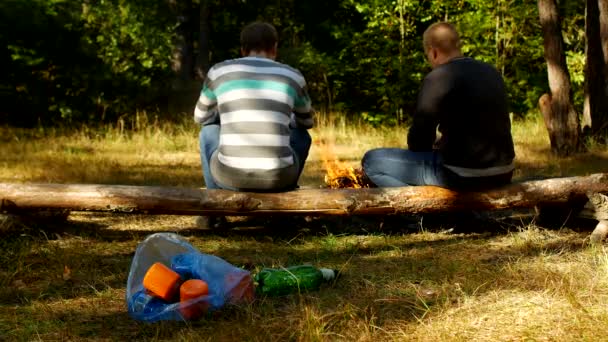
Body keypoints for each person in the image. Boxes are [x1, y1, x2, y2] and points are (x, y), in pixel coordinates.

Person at [361, 22, 515, 190]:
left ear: (433, 52)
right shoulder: (491, 71)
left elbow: (419, 141)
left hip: (461, 175)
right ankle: (459, 215)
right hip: (504, 171)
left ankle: (424, 213)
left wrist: (432, 147)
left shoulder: (438, 77)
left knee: (371, 161)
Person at [194, 22, 314, 227]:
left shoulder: (219, 72)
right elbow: (307, 122)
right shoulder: (293, 76)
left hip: (228, 177)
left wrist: (226, 116)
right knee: (302, 136)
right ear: (275, 47)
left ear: (242, 49)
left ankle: (214, 212)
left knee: (208, 132)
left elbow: (200, 117)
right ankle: (286, 206)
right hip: (279, 179)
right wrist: (286, 121)